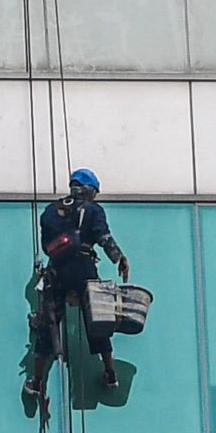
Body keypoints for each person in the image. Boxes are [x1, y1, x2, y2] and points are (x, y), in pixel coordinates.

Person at [20, 169, 129, 411]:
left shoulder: (51, 210)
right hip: (84, 268)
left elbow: (46, 245)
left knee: (49, 323)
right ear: (89, 189)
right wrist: (119, 258)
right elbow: (103, 237)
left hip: (57, 270)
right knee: (98, 318)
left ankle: (36, 381)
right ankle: (110, 372)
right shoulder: (92, 211)